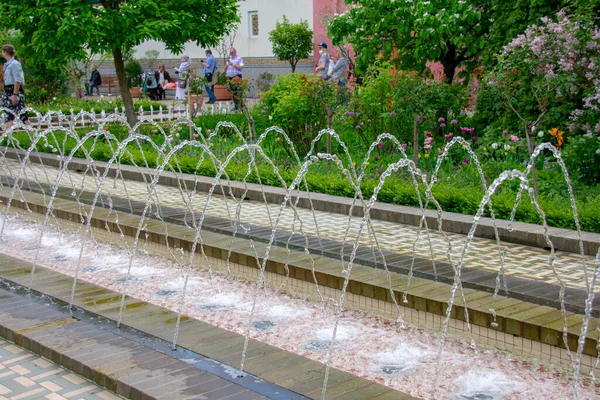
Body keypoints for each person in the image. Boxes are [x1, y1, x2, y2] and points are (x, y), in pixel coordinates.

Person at [2, 44, 29, 130]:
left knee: (22, 117)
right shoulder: (7, 65)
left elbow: (17, 80)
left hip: (13, 92)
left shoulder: (15, 64)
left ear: (5, 52)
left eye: (2, 51)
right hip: (8, 92)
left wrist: (15, 94)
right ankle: (8, 138)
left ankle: (32, 135)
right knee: (9, 116)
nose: (2, 53)